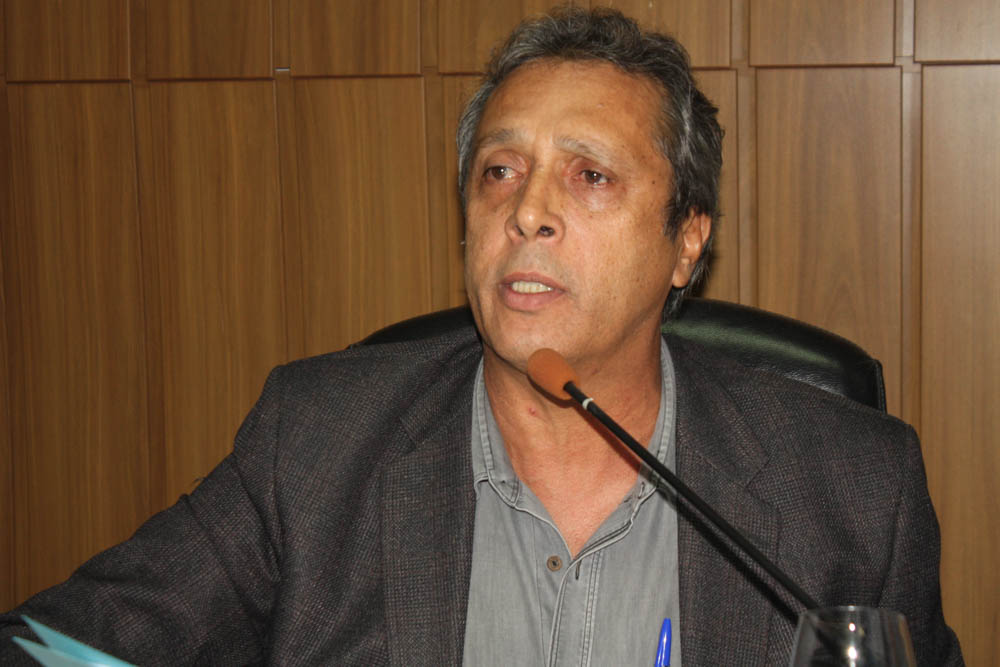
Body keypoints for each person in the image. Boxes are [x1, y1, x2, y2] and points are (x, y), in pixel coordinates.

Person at [1, 7, 962, 665]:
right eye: (499, 171)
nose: (526, 211)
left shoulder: (852, 489)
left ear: (687, 242)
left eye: (589, 176)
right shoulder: (317, 446)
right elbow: (60, 643)